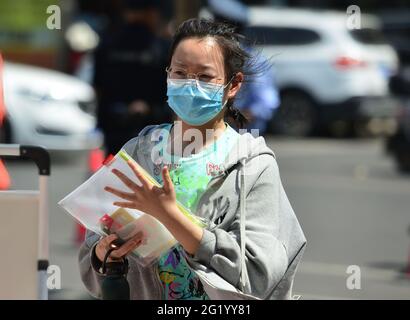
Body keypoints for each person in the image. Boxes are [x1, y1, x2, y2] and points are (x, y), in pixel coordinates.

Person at [79, 19, 306, 300]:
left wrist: (170, 216)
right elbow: (93, 255)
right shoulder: (141, 150)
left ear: (233, 84)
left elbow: (257, 277)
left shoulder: (253, 164)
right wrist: (104, 255)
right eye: (180, 73)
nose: (189, 86)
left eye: (204, 77)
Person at [93, 0, 172, 156]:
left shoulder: (107, 45)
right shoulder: (163, 48)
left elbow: (97, 86)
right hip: (154, 128)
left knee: (115, 173)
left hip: (115, 125)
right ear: (152, 14)